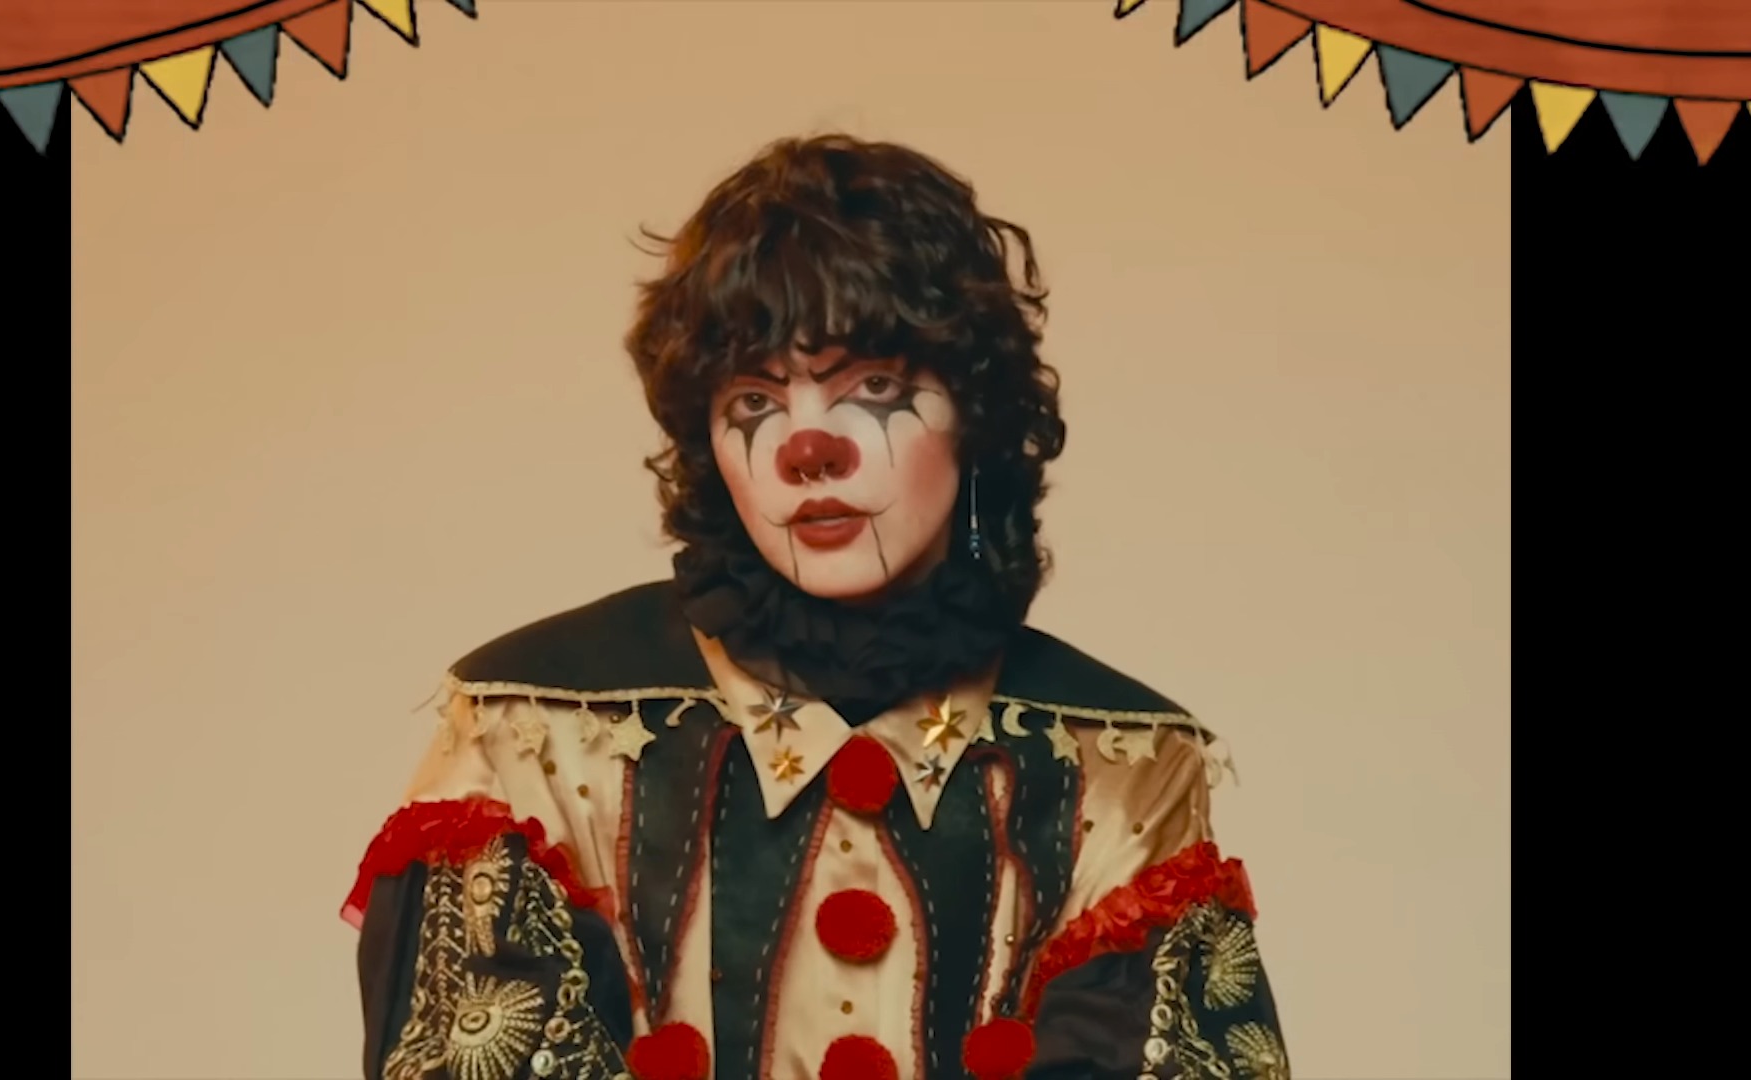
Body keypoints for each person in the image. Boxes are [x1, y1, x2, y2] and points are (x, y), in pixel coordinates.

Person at [342, 134, 1288, 1080]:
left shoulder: (1122, 763)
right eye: (755, 399)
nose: (808, 449)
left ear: (977, 414)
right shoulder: (527, 731)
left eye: (873, 386)